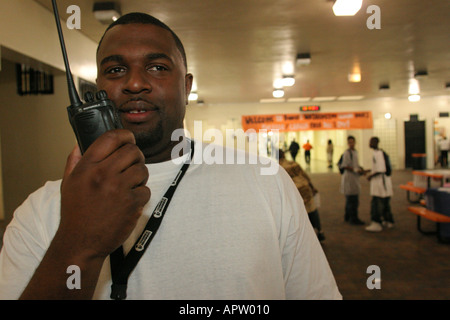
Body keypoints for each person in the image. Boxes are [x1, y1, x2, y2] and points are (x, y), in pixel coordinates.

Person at [0, 13, 341, 300]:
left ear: (187, 86)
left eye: (158, 67)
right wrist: (79, 241)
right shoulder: (42, 209)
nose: (135, 83)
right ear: (96, 89)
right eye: (116, 70)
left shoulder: (265, 182)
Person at [278, 150, 325, 241]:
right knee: (312, 210)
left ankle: (304, 237)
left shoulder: (278, 167)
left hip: (295, 191)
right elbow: (304, 175)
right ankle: (320, 232)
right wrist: (312, 187)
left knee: (300, 214)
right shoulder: (293, 163)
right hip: (305, 189)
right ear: (284, 155)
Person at [365, 137, 394, 232]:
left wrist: (370, 176)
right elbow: (377, 167)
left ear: (375, 142)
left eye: (371, 141)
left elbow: (381, 169)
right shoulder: (379, 153)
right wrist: (369, 170)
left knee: (377, 203)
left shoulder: (378, 153)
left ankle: (376, 222)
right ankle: (388, 220)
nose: (369, 143)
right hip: (383, 184)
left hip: (380, 184)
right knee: (385, 203)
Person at [339, 136, 366, 225]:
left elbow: (356, 164)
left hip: (354, 178)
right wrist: (355, 170)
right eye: (350, 142)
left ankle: (348, 216)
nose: (351, 144)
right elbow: (344, 166)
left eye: (352, 142)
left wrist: (360, 169)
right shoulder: (347, 153)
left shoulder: (355, 152)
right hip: (349, 178)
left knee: (351, 199)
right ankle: (353, 218)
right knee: (352, 199)